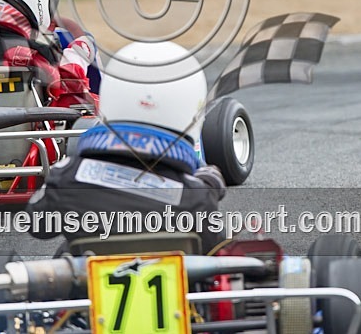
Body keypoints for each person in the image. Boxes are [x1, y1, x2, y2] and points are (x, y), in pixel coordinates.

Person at [26, 41, 228, 254]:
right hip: (172, 281)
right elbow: (213, 249)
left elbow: (38, 226)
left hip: (85, 283)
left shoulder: (68, 177)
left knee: (63, 253)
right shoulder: (196, 198)